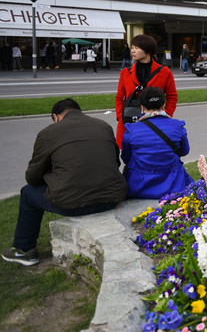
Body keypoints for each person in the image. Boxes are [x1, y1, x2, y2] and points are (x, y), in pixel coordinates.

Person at [2, 99, 127, 266]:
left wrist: (52, 175)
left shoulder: (49, 133)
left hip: (72, 204)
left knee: (27, 194)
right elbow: (115, 163)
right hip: (112, 198)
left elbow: (32, 177)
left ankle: (24, 250)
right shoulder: (104, 126)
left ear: (56, 117)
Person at [121, 87, 193, 199]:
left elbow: (126, 158)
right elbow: (184, 151)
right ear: (163, 106)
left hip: (139, 185)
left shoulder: (131, 130)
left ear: (142, 107)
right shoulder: (178, 126)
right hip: (174, 184)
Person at [116, 35, 177, 149]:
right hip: (130, 120)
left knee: (151, 152)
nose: (133, 51)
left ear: (148, 50)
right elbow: (119, 97)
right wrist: (120, 116)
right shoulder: (125, 72)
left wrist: (166, 114)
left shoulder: (164, 72)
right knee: (130, 156)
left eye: (137, 48)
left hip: (155, 120)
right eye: (132, 47)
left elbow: (172, 96)